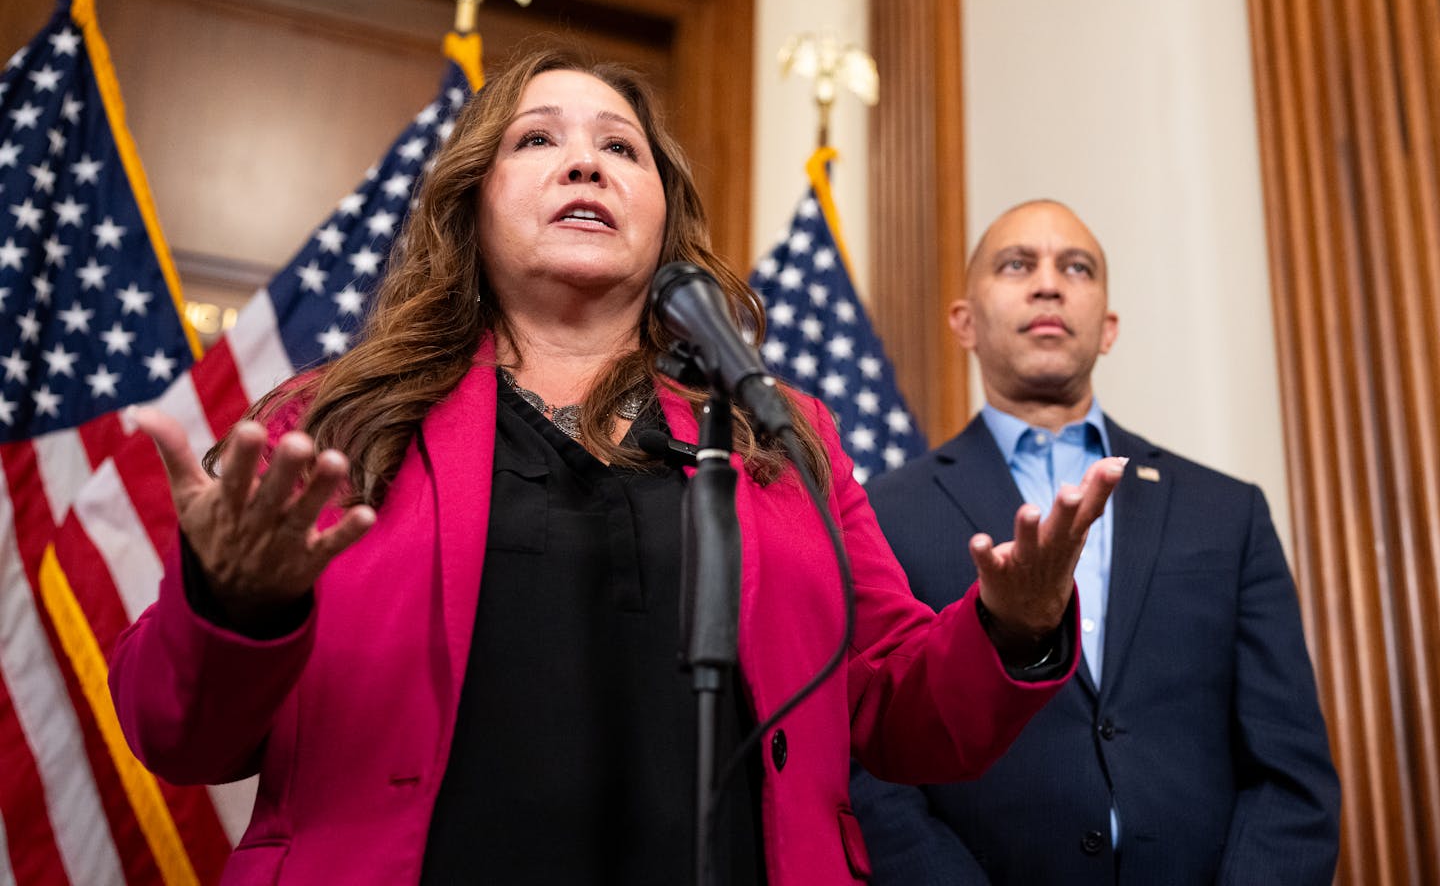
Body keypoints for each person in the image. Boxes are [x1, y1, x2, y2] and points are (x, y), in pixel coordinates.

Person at [108, 51, 1127, 886]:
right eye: (538, 140)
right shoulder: (339, 418)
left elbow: (901, 713)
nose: (585, 164)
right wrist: (234, 605)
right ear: (472, 203)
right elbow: (177, 736)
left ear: (663, 216)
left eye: (620, 148)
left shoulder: (779, 435)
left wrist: (1017, 629)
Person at [850, 199, 1341, 884]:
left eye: (1076, 268)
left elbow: (1289, 774)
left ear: (1108, 328)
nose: (1048, 283)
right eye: (1016, 264)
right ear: (964, 322)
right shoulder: (880, 514)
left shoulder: (1228, 513)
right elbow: (871, 768)